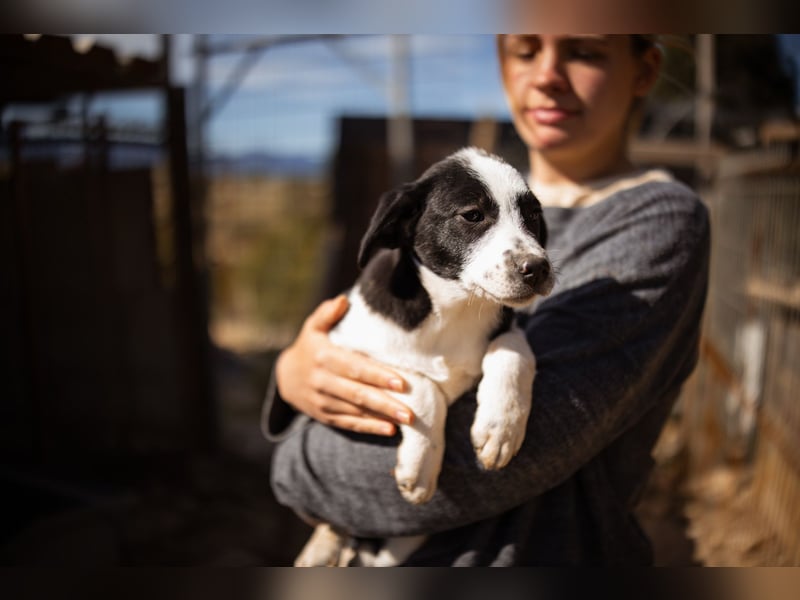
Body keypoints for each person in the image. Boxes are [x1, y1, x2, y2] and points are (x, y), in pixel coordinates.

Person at [262, 34, 710, 566]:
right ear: (501, 60)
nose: (547, 76)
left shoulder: (654, 223)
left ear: (645, 70)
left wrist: (298, 465)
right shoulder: (442, 214)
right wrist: (290, 375)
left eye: (585, 52)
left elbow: (508, 458)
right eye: (526, 50)